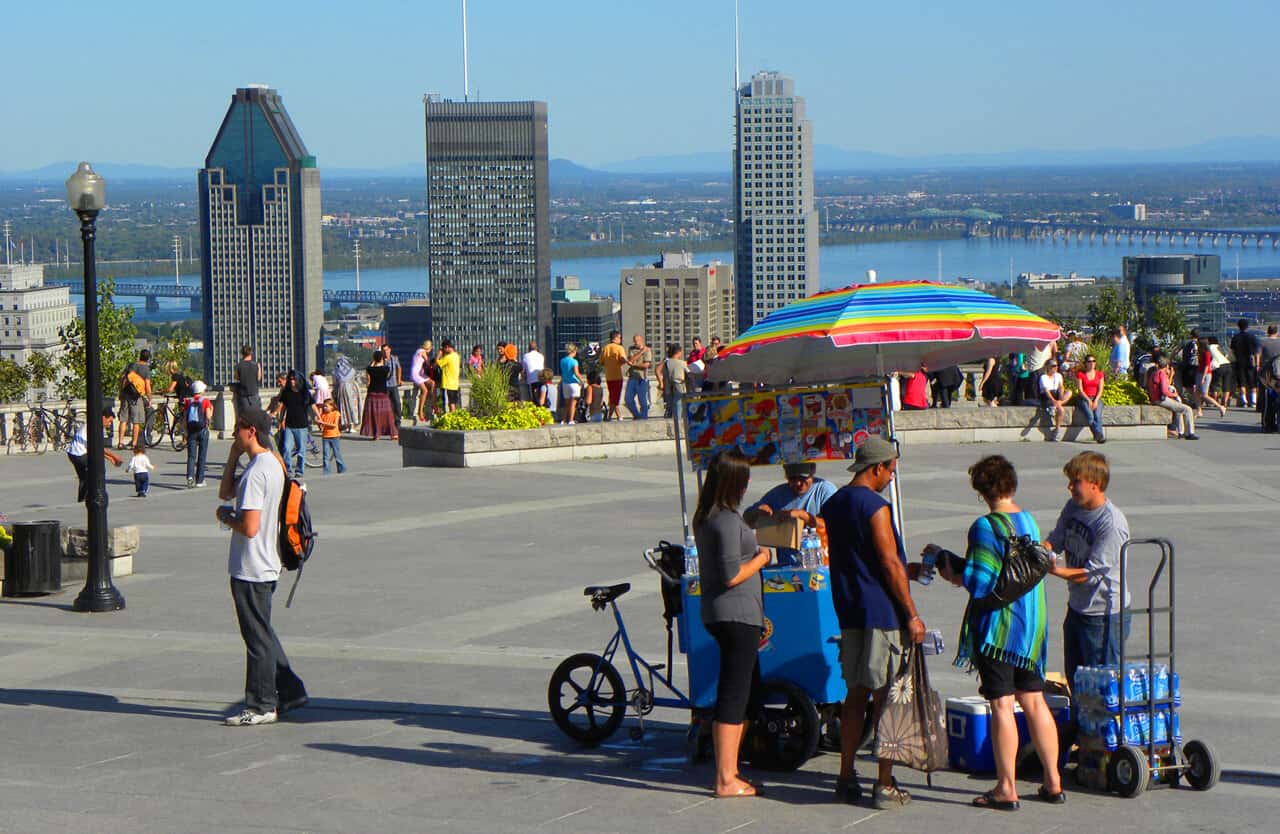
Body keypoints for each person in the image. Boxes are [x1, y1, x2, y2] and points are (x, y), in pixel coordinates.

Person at [926, 455, 1064, 810]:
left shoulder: (985, 527)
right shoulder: (1029, 520)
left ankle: (1006, 787)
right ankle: (1053, 781)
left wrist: (945, 563)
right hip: (1031, 629)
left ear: (981, 491)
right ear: (1011, 484)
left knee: (1002, 704)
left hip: (999, 631)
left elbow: (978, 582)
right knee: (1034, 701)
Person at [820, 437, 927, 810]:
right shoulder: (874, 507)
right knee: (887, 700)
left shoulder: (833, 504)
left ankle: (846, 775)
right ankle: (884, 783)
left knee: (855, 697)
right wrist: (911, 613)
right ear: (877, 467)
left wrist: (903, 570)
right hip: (881, 613)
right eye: (890, 471)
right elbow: (888, 563)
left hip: (850, 611)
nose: (890, 479)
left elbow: (860, 558)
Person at [216, 408, 307, 726]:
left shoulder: (258, 472)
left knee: (256, 639)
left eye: (237, 430)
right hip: (267, 562)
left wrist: (226, 518)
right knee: (263, 632)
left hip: (251, 566)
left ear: (250, 430)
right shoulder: (271, 463)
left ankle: (261, 705)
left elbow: (250, 526)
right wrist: (232, 456)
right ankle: (292, 690)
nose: (233, 434)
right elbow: (226, 491)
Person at [692, 448, 772, 799]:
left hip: (727, 613)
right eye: (745, 477)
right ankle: (725, 778)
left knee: (743, 691)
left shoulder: (710, 516)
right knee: (733, 694)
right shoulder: (723, 520)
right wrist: (762, 558)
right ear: (733, 481)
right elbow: (730, 574)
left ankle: (733, 769)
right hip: (735, 614)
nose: (749, 483)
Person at [1045, 452, 1131, 705]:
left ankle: (1106, 743)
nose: (1070, 487)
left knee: (1101, 689)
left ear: (1095, 483)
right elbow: (1056, 540)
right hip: (1078, 609)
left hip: (1104, 616)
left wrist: (1054, 571)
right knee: (1076, 681)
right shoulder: (1073, 508)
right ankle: (1084, 739)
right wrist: (1040, 551)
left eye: (1076, 481)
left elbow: (1092, 574)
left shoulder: (1112, 523)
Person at [743, 461, 838, 566]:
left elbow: (837, 526)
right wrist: (757, 512)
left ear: (813, 472)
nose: (798, 483)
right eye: (792, 479)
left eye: (803, 478)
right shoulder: (777, 495)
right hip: (787, 566)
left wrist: (803, 516)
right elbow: (747, 521)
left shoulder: (824, 490)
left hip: (821, 565)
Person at [67, 407, 122, 502]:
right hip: (80, 454)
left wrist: (109, 458)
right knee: (98, 468)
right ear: (103, 417)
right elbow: (97, 447)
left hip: (73, 453)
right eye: (109, 421)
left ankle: (82, 499)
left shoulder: (90, 424)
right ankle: (97, 495)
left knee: (84, 478)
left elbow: (94, 449)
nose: (109, 425)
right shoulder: (94, 427)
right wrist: (114, 456)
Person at [271, 370, 313, 478]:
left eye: (293, 379)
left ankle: (299, 470)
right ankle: (288, 469)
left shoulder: (303, 392)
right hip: (289, 424)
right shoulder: (285, 392)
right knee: (285, 447)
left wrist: (318, 416)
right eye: (290, 379)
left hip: (301, 424)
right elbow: (282, 404)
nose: (292, 381)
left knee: (300, 449)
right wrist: (274, 413)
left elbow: (312, 405)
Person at [1146, 356, 1197, 439]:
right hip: (1161, 400)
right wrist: (1175, 395)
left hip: (1154, 399)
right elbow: (1164, 391)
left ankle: (1181, 431)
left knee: (1178, 408)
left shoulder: (1154, 373)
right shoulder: (1162, 374)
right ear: (1167, 366)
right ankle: (1190, 433)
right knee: (1187, 409)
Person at [117, 348, 152, 449]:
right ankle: (134, 443)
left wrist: (120, 393)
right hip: (136, 397)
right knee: (136, 421)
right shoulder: (146, 369)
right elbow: (147, 385)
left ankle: (120, 442)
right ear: (148, 358)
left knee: (123, 419)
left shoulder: (131, 365)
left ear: (140, 356)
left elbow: (123, 378)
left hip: (125, 394)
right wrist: (150, 398)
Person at [360, 351, 398, 439]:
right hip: (383, 393)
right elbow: (388, 376)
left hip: (372, 393)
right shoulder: (386, 369)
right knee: (387, 416)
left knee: (373, 415)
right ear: (381, 358)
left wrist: (374, 361)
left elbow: (369, 367)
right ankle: (393, 433)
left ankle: (375, 434)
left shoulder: (370, 369)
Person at [183, 380, 214, 487]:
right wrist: (207, 424)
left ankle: (189, 477)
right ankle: (200, 480)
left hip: (191, 431)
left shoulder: (188, 401)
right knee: (202, 456)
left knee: (191, 456)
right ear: (201, 390)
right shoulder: (205, 401)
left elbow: (185, 417)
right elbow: (208, 416)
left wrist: (185, 430)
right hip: (202, 430)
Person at [1073, 355, 1106, 443]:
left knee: (1097, 416)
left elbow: (1100, 389)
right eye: (1089, 361)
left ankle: (1098, 436)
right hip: (1084, 398)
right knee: (1090, 417)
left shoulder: (1099, 374)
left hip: (1096, 398)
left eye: (1093, 361)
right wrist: (1088, 400)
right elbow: (1080, 390)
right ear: (1085, 363)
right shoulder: (1081, 374)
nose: (1092, 363)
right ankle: (1099, 435)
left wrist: (1095, 400)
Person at [1193, 337, 1227, 418]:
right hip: (1199, 372)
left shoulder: (1207, 353)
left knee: (1204, 394)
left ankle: (1220, 407)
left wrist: (1203, 377)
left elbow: (1207, 366)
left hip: (1206, 374)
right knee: (1196, 392)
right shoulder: (1200, 352)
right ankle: (1199, 410)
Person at [1230, 319, 1259, 409]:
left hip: (1239, 362)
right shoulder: (1252, 337)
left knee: (1241, 382)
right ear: (1247, 326)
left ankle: (1244, 400)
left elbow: (1232, 351)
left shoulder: (1235, 338)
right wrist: (1257, 364)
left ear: (1238, 326)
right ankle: (1253, 400)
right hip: (1250, 361)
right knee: (1252, 382)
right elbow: (1256, 352)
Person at [599, 331, 628, 421]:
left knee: (612, 396)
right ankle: (610, 416)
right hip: (617, 376)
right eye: (619, 338)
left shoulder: (605, 348)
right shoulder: (619, 348)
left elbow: (601, 362)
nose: (620, 340)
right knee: (615, 398)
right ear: (615, 338)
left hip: (609, 376)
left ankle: (617, 415)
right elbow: (623, 359)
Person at [1038, 359, 1068, 440]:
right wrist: (1053, 400)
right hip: (1047, 397)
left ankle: (1058, 404)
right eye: (1053, 366)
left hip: (1056, 396)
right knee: (1061, 410)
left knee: (1069, 392)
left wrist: (1060, 397)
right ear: (1048, 367)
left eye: (1057, 366)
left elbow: (1061, 387)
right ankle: (1057, 430)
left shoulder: (1058, 375)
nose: (1056, 368)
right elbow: (1046, 391)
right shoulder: (1043, 377)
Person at [625, 333, 653, 419]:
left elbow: (646, 365)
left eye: (638, 341)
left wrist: (634, 365)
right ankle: (637, 415)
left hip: (642, 378)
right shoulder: (631, 349)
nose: (636, 342)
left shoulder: (647, 350)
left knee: (643, 401)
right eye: (635, 341)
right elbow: (630, 360)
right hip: (632, 377)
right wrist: (641, 352)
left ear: (641, 340)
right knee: (628, 399)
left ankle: (644, 417)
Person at [333, 354, 363, 430]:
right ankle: (351, 426)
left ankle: (347, 426)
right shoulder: (352, 370)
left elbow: (335, 384)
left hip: (342, 390)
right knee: (352, 408)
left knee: (344, 408)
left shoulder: (336, 372)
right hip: (352, 390)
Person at [658, 344, 688, 418]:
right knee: (678, 405)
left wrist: (661, 383)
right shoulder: (682, 363)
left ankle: (668, 420)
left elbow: (658, 371)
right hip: (679, 387)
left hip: (668, 388)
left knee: (669, 406)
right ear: (678, 352)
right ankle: (678, 423)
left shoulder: (666, 363)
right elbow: (689, 373)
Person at [233, 345, 262, 419]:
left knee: (245, 416)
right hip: (254, 393)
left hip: (243, 394)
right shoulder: (256, 365)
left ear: (242, 354)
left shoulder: (239, 365)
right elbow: (258, 378)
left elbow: (236, 377)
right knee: (256, 415)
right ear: (251, 353)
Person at [317, 398, 345, 474]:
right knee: (326, 454)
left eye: (326, 406)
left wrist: (323, 423)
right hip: (325, 436)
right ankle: (326, 470)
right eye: (324, 406)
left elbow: (334, 425)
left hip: (334, 436)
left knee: (336, 453)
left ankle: (341, 467)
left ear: (332, 406)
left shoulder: (336, 413)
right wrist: (319, 423)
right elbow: (321, 425)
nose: (324, 408)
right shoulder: (323, 414)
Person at [559, 343, 585, 424]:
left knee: (566, 403)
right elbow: (576, 373)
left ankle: (563, 420)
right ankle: (571, 420)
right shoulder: (574, 361)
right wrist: (582, 380)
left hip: (565, 383)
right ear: (573, 351)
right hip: (574, 383)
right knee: (573, 403)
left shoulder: (562, 360)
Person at [434, 340, 461, 412]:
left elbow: (436, 364)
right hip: (455, 383)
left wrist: (438, 355)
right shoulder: (456, 355)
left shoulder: (448, 357)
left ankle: (451, 418)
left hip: (447, 384)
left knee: (449, 403)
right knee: (453, 403)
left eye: (443, 349)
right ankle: (454, 418)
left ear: (447, 347)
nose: (443, 350)